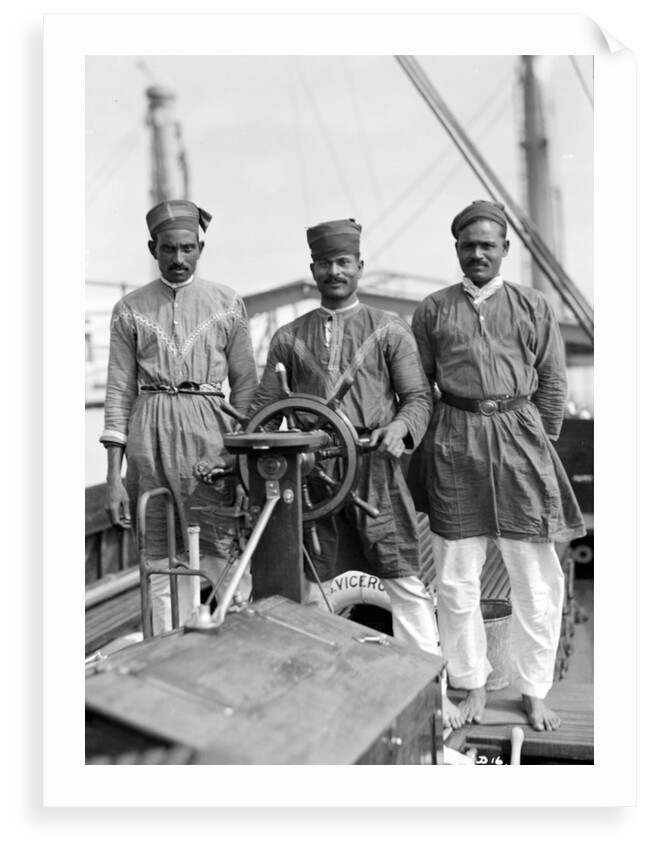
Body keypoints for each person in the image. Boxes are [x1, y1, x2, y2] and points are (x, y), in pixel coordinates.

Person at [248, 217, 463, 729]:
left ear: (359, 266)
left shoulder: (390, 329)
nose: (334, 271)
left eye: (344, 262)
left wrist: (400, 430)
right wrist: (231, 452)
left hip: (375, 471)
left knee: (406, 579)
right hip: (314, 478)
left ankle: (433, 697)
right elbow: (264, 407)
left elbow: (417, 398)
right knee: (314, 586)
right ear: (313, 269)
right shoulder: (286, 338)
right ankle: (321, 693)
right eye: (325, 263)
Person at [409, 200, 586, 732]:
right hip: (455, 444)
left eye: (489, 245)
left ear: (505, 249)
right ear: (457, 250)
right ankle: (473, 683)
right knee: (457, 579)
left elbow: (553, 384)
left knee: (537, 579)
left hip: (519, 443)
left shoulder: (532, 306)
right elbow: (419, 386)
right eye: (469, 245)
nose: (479, 253)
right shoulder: (433, 310)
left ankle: (534, 690)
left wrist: (537, 444)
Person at [100, 200, 259, 634]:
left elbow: (246, 384)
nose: (178, 259)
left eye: (188, 248)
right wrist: (114, 478)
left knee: (221, 553)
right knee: (159, 560)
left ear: (200, 247)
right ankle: (166, 653)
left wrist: (236, 453)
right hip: (147, 445)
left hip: (211, 440)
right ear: (153, 248)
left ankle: (235, 654)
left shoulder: (228, 303)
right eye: (168, 249)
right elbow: (118, 393)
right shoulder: (129, 309)